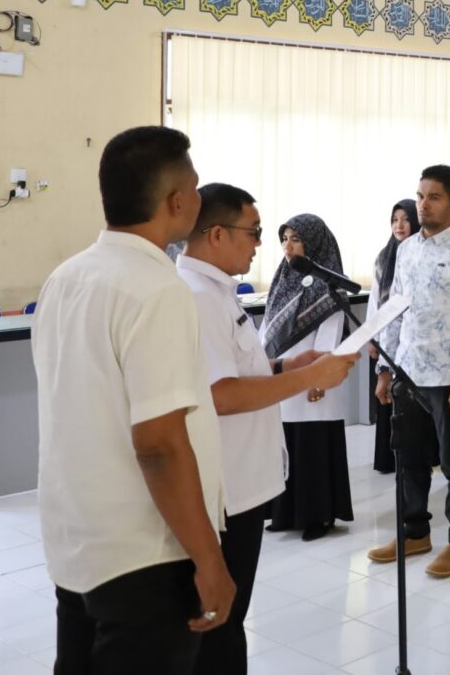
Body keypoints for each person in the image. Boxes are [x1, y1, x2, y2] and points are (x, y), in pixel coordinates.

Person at [34, 126, 232, 673]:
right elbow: (160, 445)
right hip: (145, 556)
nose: (197, 196)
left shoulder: (66, 277)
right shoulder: (157, 289)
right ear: (176, 202)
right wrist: (210, 559)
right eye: (193, 187)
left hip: (77, 540)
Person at [179, 184, 357, 674]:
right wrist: (307, 377)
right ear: (216, 234)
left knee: (229, 621)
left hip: (242, 484)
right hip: (225, 490)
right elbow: (219, 395)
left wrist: (283, 366)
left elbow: (238, 372)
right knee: (220, 627)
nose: (261, 244)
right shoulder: (196, 297)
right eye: (254, 232)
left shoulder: (216, 290)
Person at [368, 164, 450, 579]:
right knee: (408, 459)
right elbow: (396, 312)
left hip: (449, 379)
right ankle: (414, 532)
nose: (423, 204)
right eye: (420, 196)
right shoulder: (406, 250)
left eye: (434, 197)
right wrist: (386, 371)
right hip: (409, 374)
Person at [260, 214, 355, 542]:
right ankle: (285, 512)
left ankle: (320, 515)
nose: (288, 245)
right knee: (287, 442)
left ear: (313, 242)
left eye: (296, 239)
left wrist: (319, 378)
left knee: (313, 446)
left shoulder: (329, 282)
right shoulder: (282, 277)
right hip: (285, 374)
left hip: (315, 377)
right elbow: (268, 327)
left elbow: (330, 331)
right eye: (284, 238)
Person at [369, 199, 419, 474]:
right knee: (386, 396)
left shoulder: (419, 255)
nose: (399, 225)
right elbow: (375, 303)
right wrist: (372, 338)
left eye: (405, 219)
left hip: (411, 339)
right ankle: (387, 459)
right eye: (395, 220)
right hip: (386, 337)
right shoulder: (384, 256)